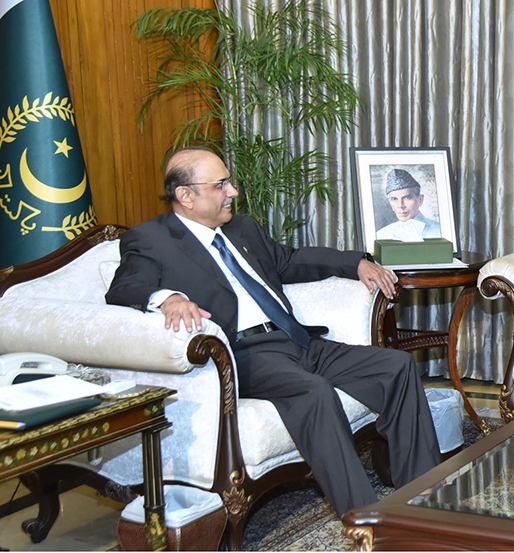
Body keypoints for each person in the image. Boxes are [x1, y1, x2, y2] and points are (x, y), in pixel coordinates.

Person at [106, 147, 441, 517]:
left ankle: (419, 498)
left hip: (296, 340)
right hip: (244, 354)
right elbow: (123, 289)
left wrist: (355, 262)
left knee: (396, 366)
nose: (233, 191)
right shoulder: (152, 239)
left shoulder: (241, 228)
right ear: (185, 195)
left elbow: (291, 261)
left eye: (229, 182)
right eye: (221, 184)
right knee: (315, 393)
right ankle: (366, 521)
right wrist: (168, 298)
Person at [375, 168, 441, 240]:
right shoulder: (381, 235)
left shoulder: (439, 232)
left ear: (420, 200)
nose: (400, 205)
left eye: (407, 198)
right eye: (394, 199)